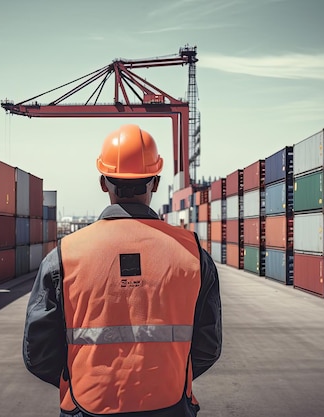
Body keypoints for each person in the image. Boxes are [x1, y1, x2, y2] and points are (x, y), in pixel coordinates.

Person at [23, 124, 222, 417]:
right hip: (170, 406)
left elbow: (37, 352)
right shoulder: (192, 253)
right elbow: (209, 345)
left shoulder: (65, 256)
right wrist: (171, 378)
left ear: (104, 183)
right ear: (155, 183)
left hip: (86, 406)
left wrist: (78, 384)